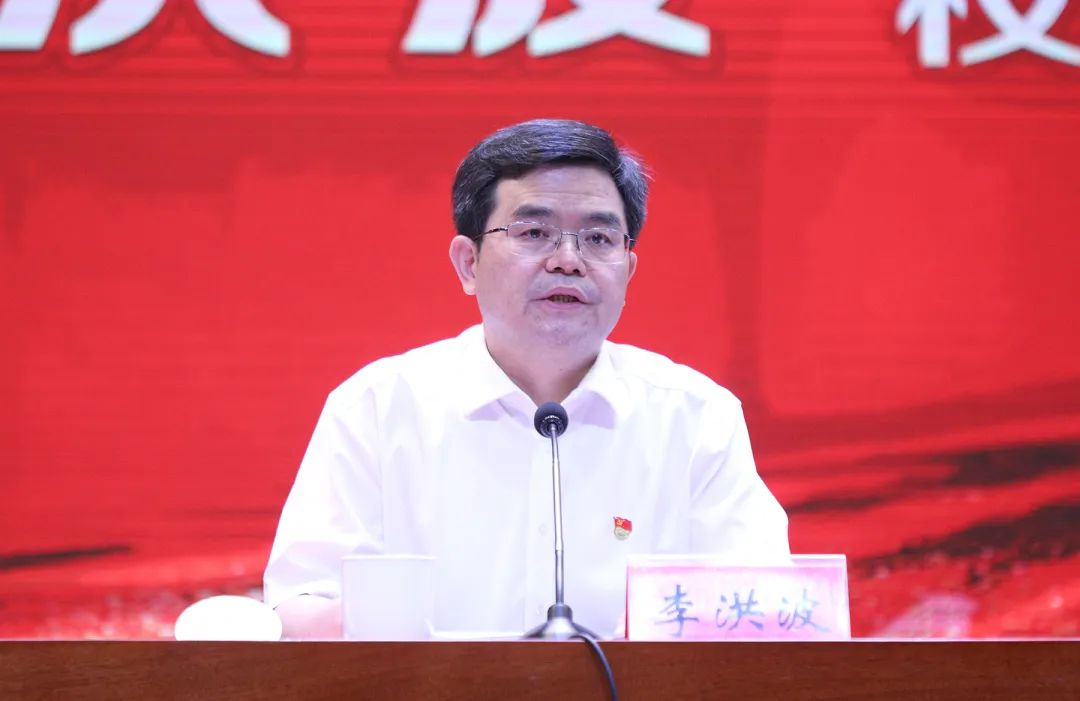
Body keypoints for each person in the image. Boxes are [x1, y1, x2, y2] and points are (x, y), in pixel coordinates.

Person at [263, 119, 789, 639]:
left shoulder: (696, 418)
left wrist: (662, 635)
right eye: (534, 233)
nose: (568, 261)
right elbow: (300, 606)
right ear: (468, 263)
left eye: (599, 238)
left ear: (628, 271)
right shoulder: (376, 409)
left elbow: (766, 609)